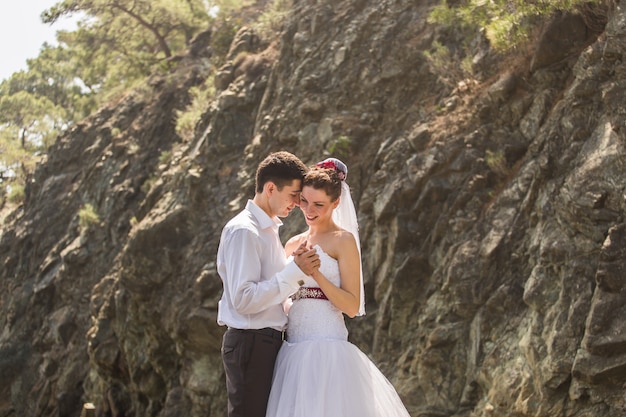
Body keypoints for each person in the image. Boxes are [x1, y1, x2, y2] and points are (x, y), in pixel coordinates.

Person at [266, 158, 411, 417]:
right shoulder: (292, 243)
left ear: (335, 203)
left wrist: (316, 274)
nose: (309, 210)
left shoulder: (343, 241)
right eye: (304, 201)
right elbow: (283, 297)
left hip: (328, 348)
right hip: (291, 351)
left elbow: (352, 306)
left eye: (319, 204)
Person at [217, 151, 321, 417]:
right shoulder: (245, 231)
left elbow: (269, 288)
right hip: (250, 343)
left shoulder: (268, 230)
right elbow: (244, 299)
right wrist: (295, 272)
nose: (298, 203)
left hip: (264, 342)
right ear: (270, 188)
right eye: (294, 195)